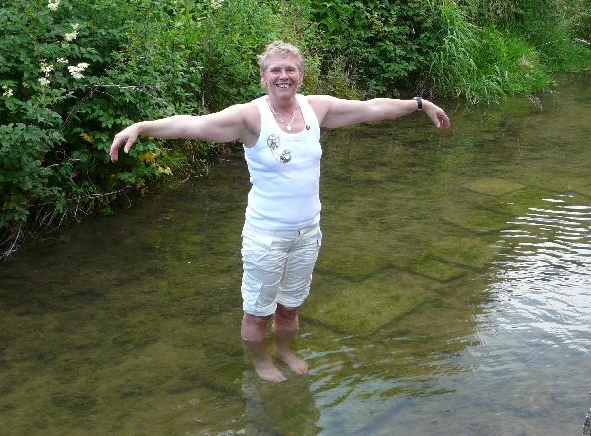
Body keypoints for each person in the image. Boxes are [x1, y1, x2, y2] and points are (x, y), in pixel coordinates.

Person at [109, 41, 451, 382]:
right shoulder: (248, 118)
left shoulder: (317, 108)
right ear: (263, 77)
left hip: (308, 233)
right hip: (266, 237)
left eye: (290, 69)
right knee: (258, 313)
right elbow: (193, 125)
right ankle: (261, 361)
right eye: (276, 70)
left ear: (300, 76)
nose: (283, 76)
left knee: (289, 307)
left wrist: (420, 104)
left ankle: (285, 351)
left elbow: (372, 108)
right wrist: (143, 127)